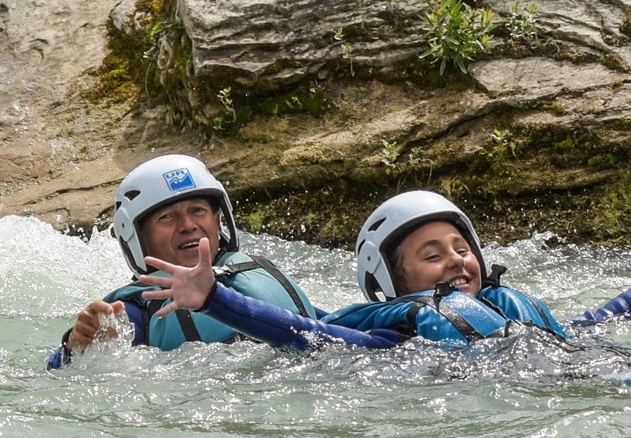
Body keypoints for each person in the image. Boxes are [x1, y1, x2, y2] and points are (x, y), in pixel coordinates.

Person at [139, 190, 631, 412]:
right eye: (431, 255)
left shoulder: (510, 306)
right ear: (389, 285)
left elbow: (613, 315)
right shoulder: (398, 332)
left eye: (461, 248)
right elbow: (306, 336)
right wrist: (220, 302)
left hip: (562, 358)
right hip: (521, 386)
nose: (455, 260)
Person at [45, 154, 397, 370]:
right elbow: (66, 374)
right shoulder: (139, 309)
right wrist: (76, 347)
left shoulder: (253, 273)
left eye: (198, 210)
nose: (188, 224)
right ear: (138, 237)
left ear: (219, 220)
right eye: (167, 218)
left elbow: (328, 331)